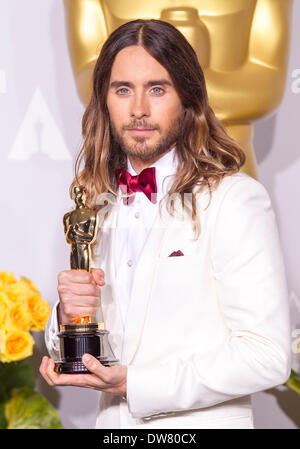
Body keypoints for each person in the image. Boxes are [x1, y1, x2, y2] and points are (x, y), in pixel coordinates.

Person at [40, 19, 291, 429]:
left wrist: (135, 384)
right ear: (104, 100)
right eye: (123, 89)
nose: (139, 108)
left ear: (187, 99)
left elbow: (266, 356)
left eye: (157, 88)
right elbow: (99, 339)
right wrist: (68, 317)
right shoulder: (95, 205)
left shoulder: (234, 199)